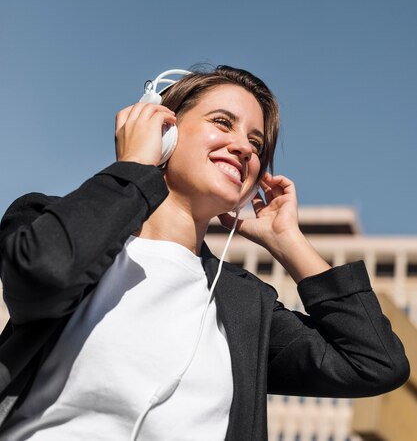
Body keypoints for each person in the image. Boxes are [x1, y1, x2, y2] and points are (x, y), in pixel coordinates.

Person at [0, 65, 410, 441]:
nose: (244, 148)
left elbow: (374, 363)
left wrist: (289, 242)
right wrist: (133, 168)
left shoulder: (244, 305)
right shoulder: (46, 219)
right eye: (222, 123)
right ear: (164, 128)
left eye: (256, 142)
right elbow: (44, 275)